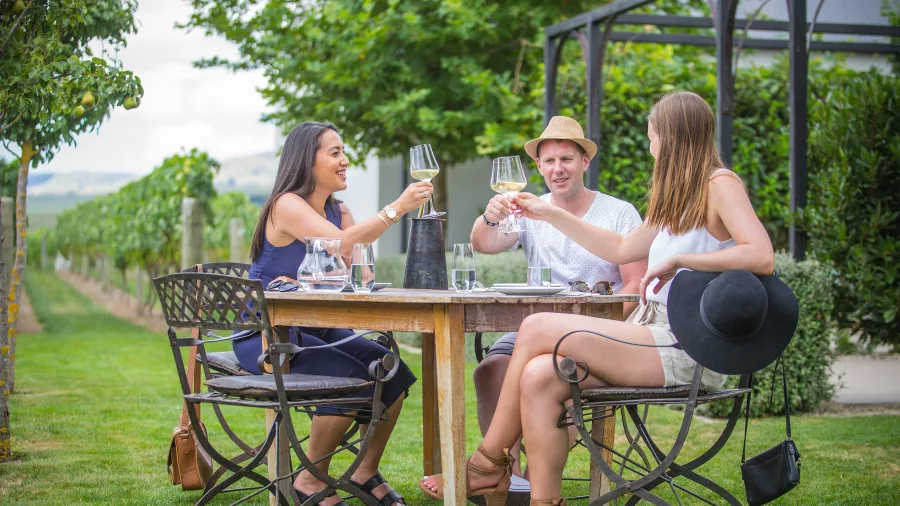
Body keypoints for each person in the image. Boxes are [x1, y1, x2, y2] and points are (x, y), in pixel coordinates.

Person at [419, 91, 776, 506]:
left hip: (689, 342)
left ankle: (485, 463)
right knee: (537, 376)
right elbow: (621, 248)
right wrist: (549, 212)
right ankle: (539, 498)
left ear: (671, 136)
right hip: (652, 333)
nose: (650, 146)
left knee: (536, 327)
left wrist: (679, 258)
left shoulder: (720, 183)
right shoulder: (677, 194)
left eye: (652, 136)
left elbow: (761, 254)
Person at [236, 121, 431, 506]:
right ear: (307, 161)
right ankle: (309, 479)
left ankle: (363, 470)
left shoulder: (337, 209)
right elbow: (338, 245)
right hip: (267, 335)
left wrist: (352, 253)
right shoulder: (286, 204)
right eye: (335, 152)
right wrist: (397, 209)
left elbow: (359, 265)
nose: (345, 161)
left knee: (391, 368)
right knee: (349, 377)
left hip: (318, 327)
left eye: (344, 152)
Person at [469, 115, 646, 483]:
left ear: (585, 161)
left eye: (566, 158)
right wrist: (488, 216)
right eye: (549, 161)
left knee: (549, 381)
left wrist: (602, 331)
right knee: (489, 371)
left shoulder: (618, 212)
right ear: (539, 166)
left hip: (594, 335)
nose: (558, 168)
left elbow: (635, 286)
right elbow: (484, 245)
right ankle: (508, 478)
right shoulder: (529, 210)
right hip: (531, 330)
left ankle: (535, 479)